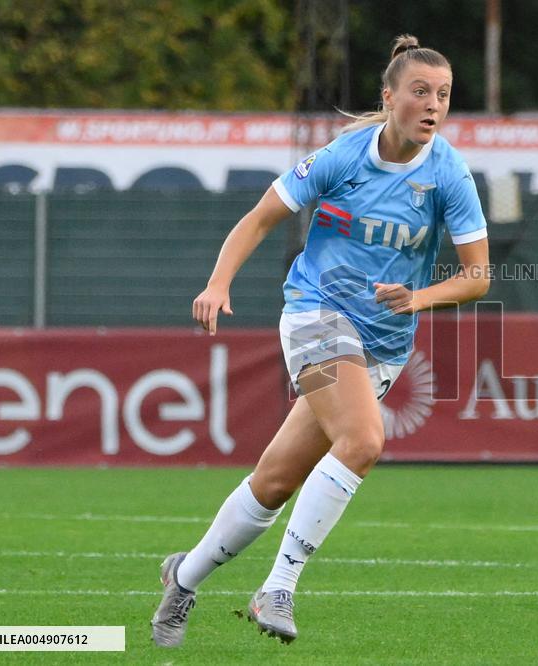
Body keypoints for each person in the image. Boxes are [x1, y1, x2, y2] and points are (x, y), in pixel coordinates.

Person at [150, 34, 490, 647]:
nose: (433, 104)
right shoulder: (341, 157)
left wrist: (420, 297)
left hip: (384, 343)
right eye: (420, 92)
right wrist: (218, 283)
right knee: (363, 440)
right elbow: (259, 219)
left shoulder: (449, 175)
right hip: (316, 313)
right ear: (389, 98)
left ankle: (185, 574)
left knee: (275, 481)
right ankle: (277, 588)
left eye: (443, 94)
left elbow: (477, 275)